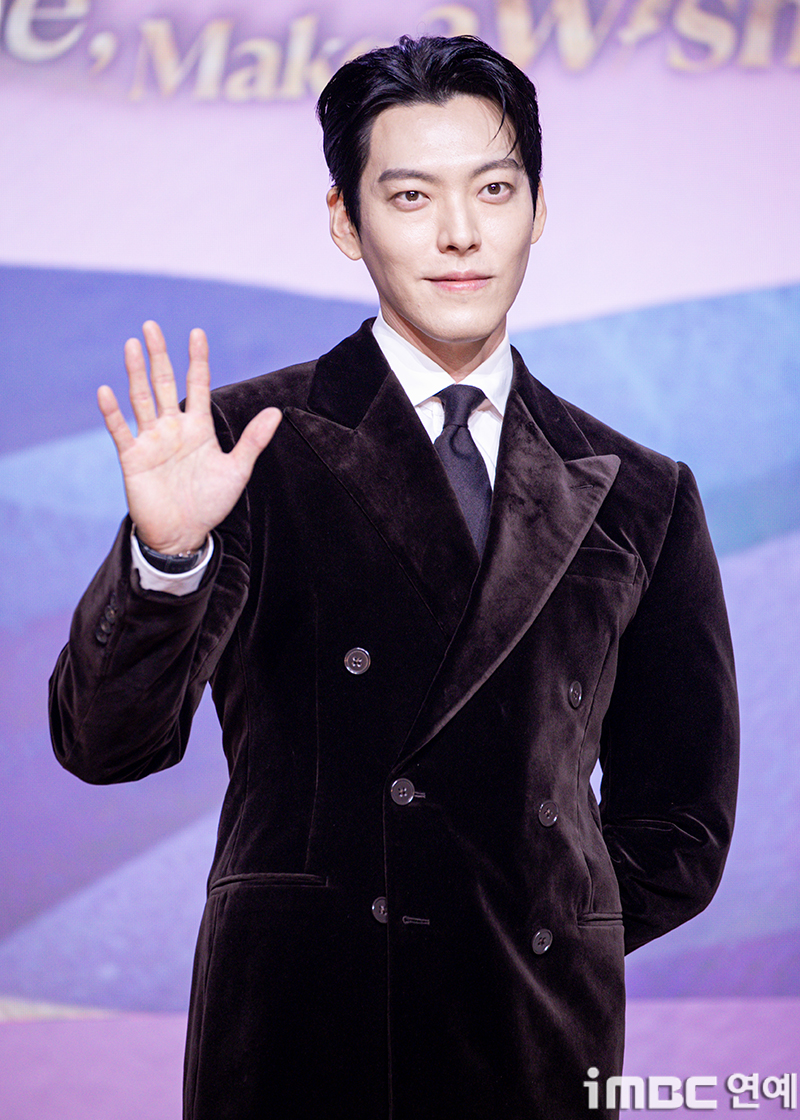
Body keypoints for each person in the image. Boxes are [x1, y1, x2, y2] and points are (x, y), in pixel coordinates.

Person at [49, 34, 739, 1120]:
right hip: (296, 1036)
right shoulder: (242, 445)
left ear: (538, 209)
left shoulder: (639, 492)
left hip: (532, 1042)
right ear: (345, 220)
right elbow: (105, 745)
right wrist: (167, 557)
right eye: (410, 195)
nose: (460, 233)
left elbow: (680, 825)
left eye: (494, 189)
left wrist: (541, 924)